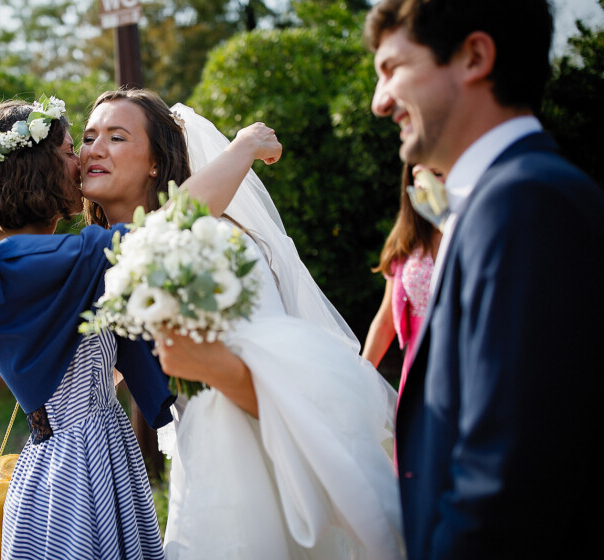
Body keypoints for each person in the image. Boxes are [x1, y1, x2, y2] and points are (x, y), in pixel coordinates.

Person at [0, 94, 281, 559]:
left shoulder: (40, 261)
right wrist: (243, 147)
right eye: (70, 150)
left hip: (97, 448)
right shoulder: (37, 262)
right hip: (77, 467)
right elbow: (163, 230)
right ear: (37, 170)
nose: (82, 161)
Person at [365, 1, 604, 558]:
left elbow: (510, 477)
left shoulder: (527, 203)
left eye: (393, 69)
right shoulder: (500, 201)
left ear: (474, 56)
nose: (380, 103)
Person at [153, 104, 404, 559]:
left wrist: (243, 147)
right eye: (88, 139)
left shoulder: (214, 242)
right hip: (207, 451)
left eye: (115, 137)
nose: (92, 151)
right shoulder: (132, 246)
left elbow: (265, 365)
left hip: (246, 449)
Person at [363, 164, 443, 399]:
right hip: (419, 368)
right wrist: (362, 374)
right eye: (420, 175)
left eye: (437, 172)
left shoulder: (475, 230)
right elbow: (386, 320)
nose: (428, 183)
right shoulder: (406, 242)